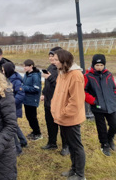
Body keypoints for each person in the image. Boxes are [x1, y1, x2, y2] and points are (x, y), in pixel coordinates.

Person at [51, 49, 86, 180]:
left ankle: (80, 175)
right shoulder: (62, 73)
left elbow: (76, 102)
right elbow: (58, 94)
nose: (54, 62)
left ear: (63, 60)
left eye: (56, 60)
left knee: (76, 146)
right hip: (62, 118)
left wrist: (62, 113)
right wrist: (56, 110)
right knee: (71, 146)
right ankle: (74, 169)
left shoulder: (75, 75)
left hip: (70, 118)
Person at [84, 54, 116, 156]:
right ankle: (104, 144)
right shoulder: (88, 76)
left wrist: (114, 98)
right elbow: (83, 91)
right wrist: (94, 101)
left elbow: (114, 88)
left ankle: (110, 139)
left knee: (114, 125)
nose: (99, 67)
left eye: (101, 65)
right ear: (93, 65)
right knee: (101, 127)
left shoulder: (109, 75)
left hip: (111, 105)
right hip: (98, 107)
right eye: (97, 65)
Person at [41, 47, 69, 156]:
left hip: (59, 102)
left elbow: (61, 86)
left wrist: (50, 78)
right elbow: (48, 84)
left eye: (53, 56)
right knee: (50, 124)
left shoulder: (63, 70)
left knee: (62, 125)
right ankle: (52, 143)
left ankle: (66, 146)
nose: (51, 58)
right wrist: (43, 93)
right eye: (50, 56)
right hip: (49, 101)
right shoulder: (50, 67)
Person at [2, 62, 28, 154]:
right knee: (15, 126)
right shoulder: (9, 79)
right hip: (12, 108)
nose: (3, 72)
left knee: (11, 128)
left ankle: (18, 149)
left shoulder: (16, 80)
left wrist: (11, 103)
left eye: (4, 70)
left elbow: (21, 94)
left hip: (14, 108)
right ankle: (23, 141)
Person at [22, 59, 42, 141]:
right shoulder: (26, 74)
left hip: (32, 100)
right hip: (26, 99)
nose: (24, 68)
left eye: (26, 66)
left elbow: (36, 89)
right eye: (24, 66)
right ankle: (34, 131)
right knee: (28, 117)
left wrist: (23, 88)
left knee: (33, 117)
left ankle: (38, 133)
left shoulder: (35, 76)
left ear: (31, 66)